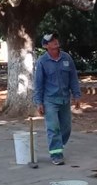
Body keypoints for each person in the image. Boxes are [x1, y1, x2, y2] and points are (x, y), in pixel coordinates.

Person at [33, 33, 82, 165]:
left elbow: (73, 78)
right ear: (46, 46)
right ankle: (56, 154)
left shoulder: (67, 58)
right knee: (53, 127)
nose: (55, 42)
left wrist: (77, 95)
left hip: (64, 99)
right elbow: (38, 83)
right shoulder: (42, 61)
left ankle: (58, 144)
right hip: (49, 100)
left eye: (56, 39)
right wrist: (39, 102)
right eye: (51, 41)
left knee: (66, 128)